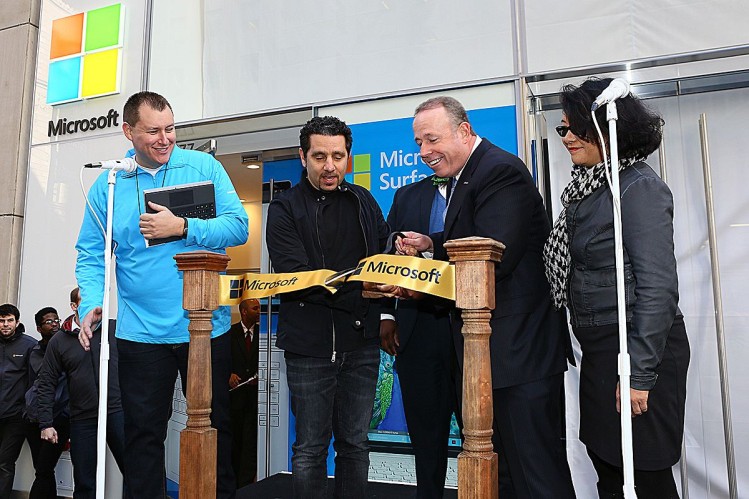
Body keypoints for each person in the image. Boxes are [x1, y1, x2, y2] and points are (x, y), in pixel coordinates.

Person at [395, 96, 576, 498]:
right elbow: (473, 238)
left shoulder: (500, 171)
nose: (423, 152)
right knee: (508, 475)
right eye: (419, 142)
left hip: (518, 355)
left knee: (536, 473)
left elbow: (493, 258)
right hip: (493, 357)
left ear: (464, 132)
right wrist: (433, 241)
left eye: (431, 139)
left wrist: (414, 280)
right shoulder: (469, 173)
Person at [75, 91, 249, 499]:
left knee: (215, 432)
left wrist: (183, 227)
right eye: (153, 131)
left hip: (205, 328)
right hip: (139, 335)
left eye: (170, 129)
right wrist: (92, 301)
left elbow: (238, 227)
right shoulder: (109, 184)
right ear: (128, 131)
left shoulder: (203, 165)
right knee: (142, 440)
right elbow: (91, 252)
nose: (164, 139)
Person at [543, 77, 690, 499]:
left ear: (608, 127)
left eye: (575, 128)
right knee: (609, 466)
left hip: (639, 349)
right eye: (562, 128)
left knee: (643, 473)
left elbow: (658, 286)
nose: (567, 137)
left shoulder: (637, 187)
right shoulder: (587, 189)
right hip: (603, 348)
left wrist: (640, 374)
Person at [265, 116, 390, 498]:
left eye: (338, 155)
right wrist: (362, 291)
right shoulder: (284, 208)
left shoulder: (364, 200)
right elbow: (299, 276)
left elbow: (383, 257)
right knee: (309, 451)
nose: (330, 166)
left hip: (362, 345)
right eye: (320, 156)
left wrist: (384, 305)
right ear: (303, 158)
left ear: (348, 157)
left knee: (356, 446)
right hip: (309, 348)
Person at [380, 177, 460, 498]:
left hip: (467, 328)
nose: (428, 151)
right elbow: (386, 252)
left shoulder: (477, 190)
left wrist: (431, 246)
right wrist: (387, 313)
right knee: (425, 437)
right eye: (422, 143)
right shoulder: (407, 195)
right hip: (416, 327)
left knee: (481, 433)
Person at [37, 314, 125, 499]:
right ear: (74, 306)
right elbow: (46, 382)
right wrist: (46, 423)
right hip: (82, 418)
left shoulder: (115, 329)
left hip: (118, 411)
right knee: (84, 482)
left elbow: (141, 366)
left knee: (137, 471)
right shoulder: (60, 340)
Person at [25, 307, 69, 499]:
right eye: (48, 322)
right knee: (43, 469)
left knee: (43, 467)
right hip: (34, 418)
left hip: (59, 418)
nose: (54, 324)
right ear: (38, 327)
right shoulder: (33, 351)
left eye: (56, 320)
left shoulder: (67, 347)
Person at [0, 303, 36, 499]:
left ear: (17, 322)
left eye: (9, 321)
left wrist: (26, 409)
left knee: (5, 462)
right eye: (1, 321)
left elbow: (35, 381)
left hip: (15, 416)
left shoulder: (29, 345)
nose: (5, 325)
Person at [229, 298, 260, 488]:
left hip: (256, 400)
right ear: (244, 311)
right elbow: (220, 358)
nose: (259, 311)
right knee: (234, 443)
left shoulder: (264, 334)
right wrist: (228, 375)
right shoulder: (230, 333)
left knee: (250, 444)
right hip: (234, 400)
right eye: (255, 308)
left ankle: (246, 485)